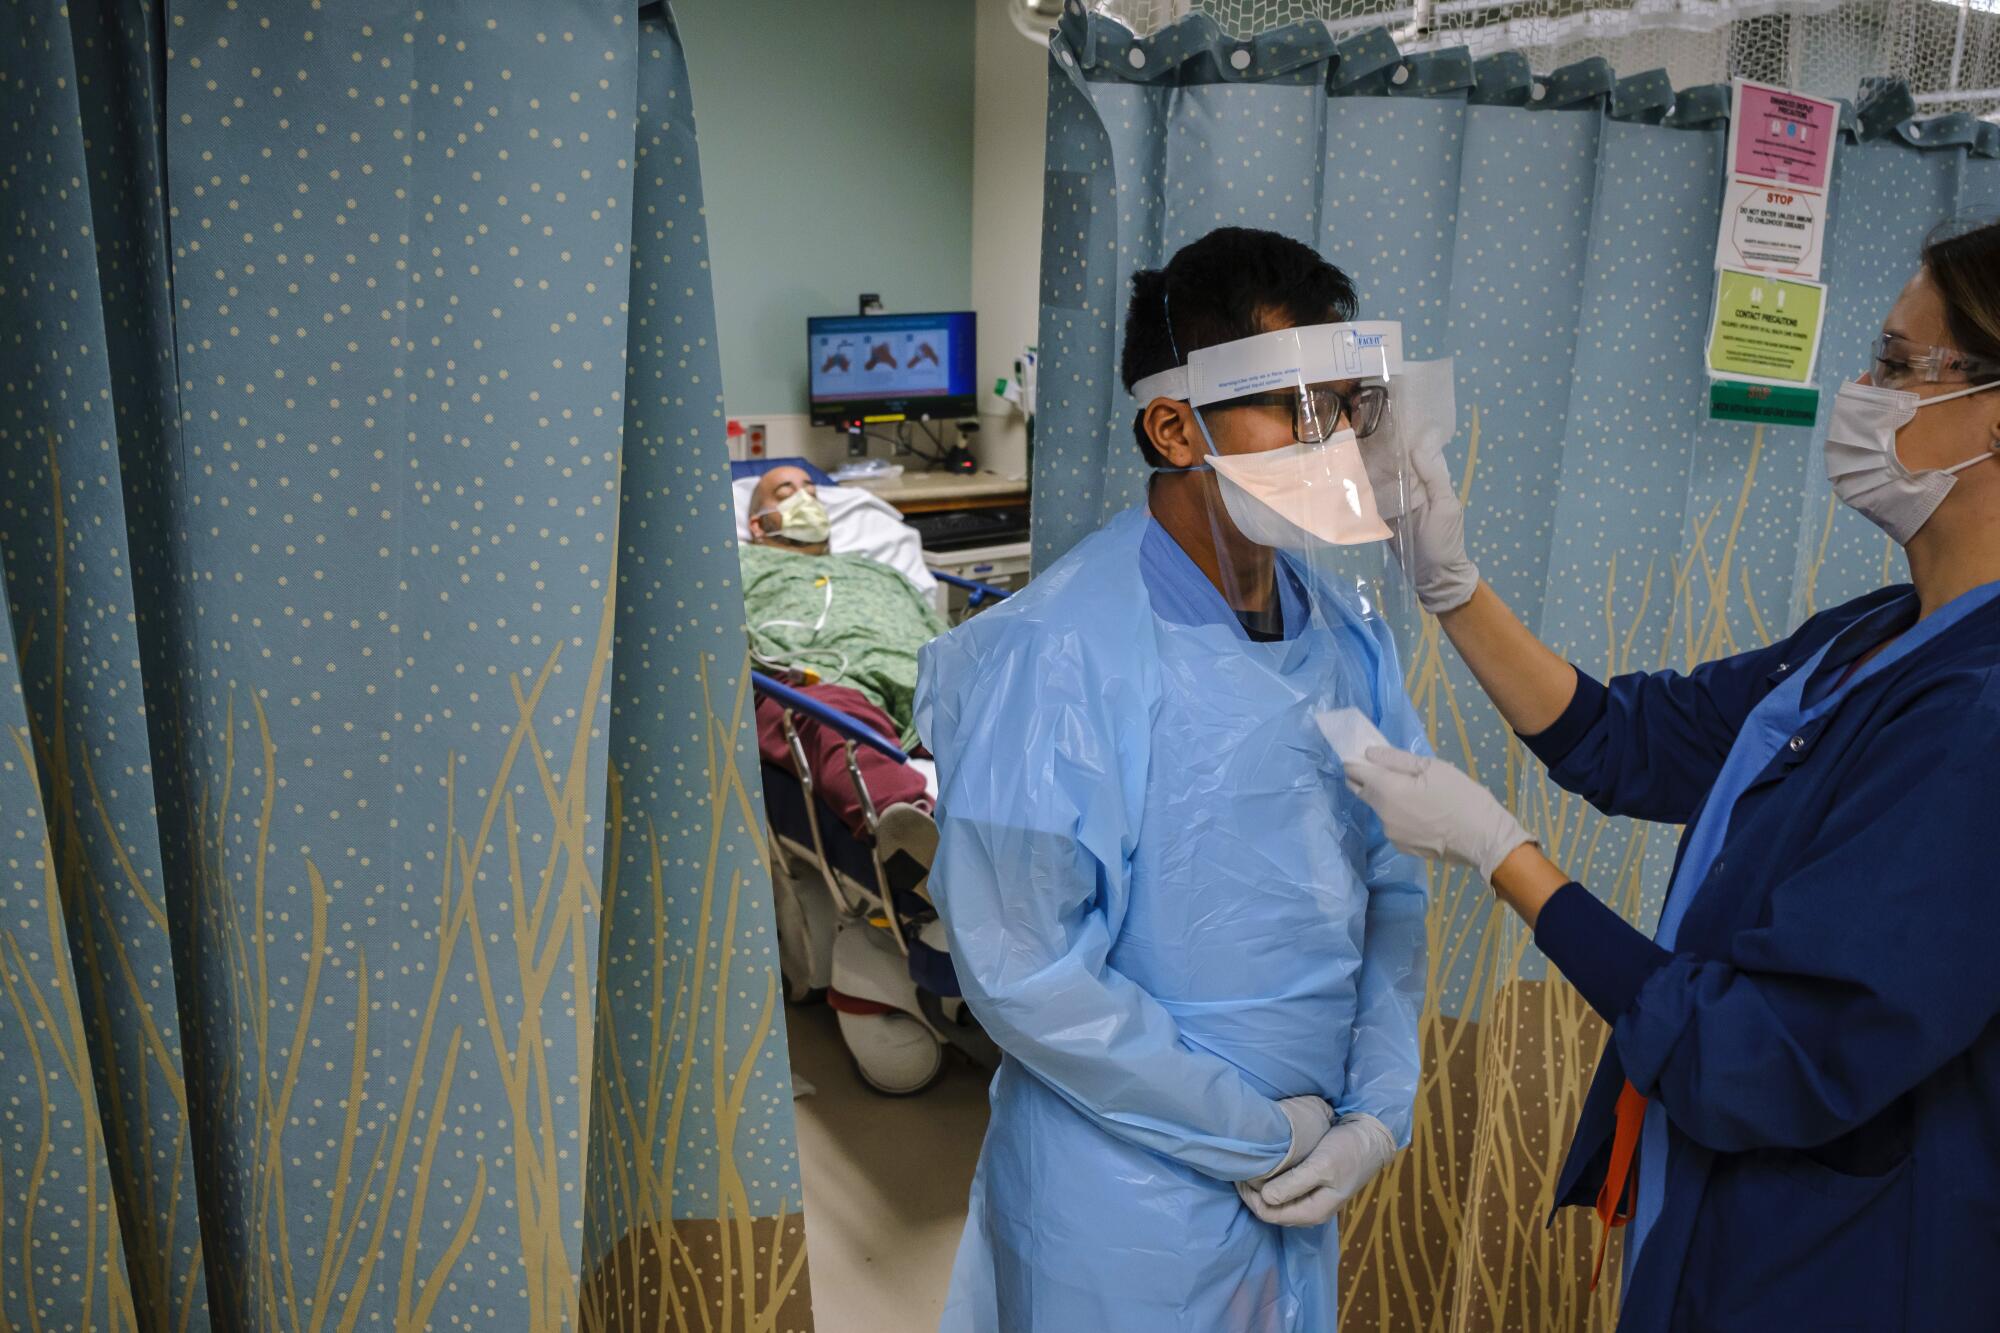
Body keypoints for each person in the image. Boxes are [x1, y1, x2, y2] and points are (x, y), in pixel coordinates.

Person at [1337, 221, 2000, 1332]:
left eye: (1894, 365)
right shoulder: (1876, 637)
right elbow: (1630, 740)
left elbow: (1757, 1050)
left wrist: (1503, 856)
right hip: (1722, 1197)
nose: (1858, 392)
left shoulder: (1975, 719)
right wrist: (1443, 577)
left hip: (1843, 1258)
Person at [915, 227, 1443, 1332]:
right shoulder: (1057, 653)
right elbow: (1026, 972)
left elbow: (1394, 888)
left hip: (1306, 1168)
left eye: (1342, 406)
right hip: (1119, 1197)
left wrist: (1373, 1113)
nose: (1332, 441)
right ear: (1174, 425)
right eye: (1293, 407)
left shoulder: (1347, 638)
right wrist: (1260, 1130)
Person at [742, 464, 942, 853]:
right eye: (785, 493)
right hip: (824, 679)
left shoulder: (878, 570)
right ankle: (916, 840)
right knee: (834, 723)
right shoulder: (737, 565)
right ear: (756, 524)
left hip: (922, 678)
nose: (805, 500)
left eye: (812, 493)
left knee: (997, 711)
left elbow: (943, 635)